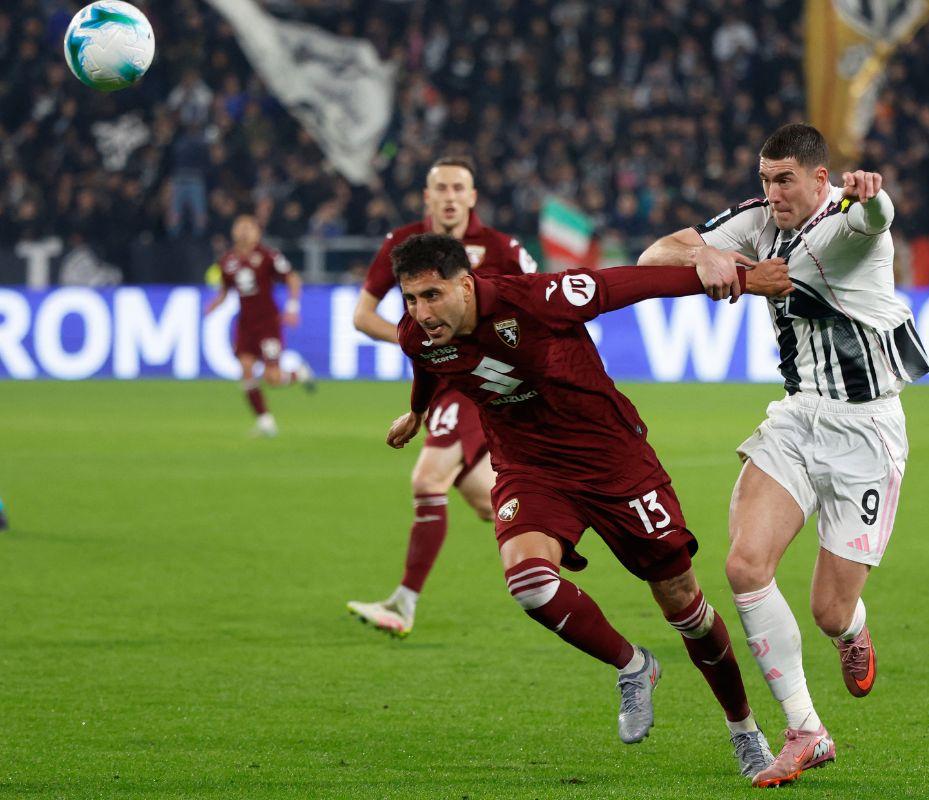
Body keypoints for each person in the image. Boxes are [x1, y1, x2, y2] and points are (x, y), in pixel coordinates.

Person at [385, 233, 791, 781]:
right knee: (529, 585)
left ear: (465, 283)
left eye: (431, 295)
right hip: (530, 469)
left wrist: (746, 280)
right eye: (410, 299)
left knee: (685, 606)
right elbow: (429, 364)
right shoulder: (419, 333)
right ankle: (634, 666)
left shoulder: (534, 299)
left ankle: (745, 730)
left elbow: (630, 283)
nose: (421, 312)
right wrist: (417, 411)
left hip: (614, 465)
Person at [637, 122, 929, 788]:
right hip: (798, 418)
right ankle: (806, 730)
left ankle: (850, 629)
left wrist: (872, 194)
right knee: (743, 566)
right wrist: (711, 259)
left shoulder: (850, 225)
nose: (772, 193)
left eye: (785, 180)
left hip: (866, 431)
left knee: (829, 609)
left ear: (820, 180)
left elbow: (879, 217)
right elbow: (659, 254)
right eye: (765, 179)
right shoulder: (756, 221)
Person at [346, 156, 537, 637]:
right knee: (486, 499)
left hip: (478, 386)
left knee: (428, 479)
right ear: (427, 197)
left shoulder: (503, 249)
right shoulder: (403, 246)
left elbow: (536, 310)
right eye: (441, 188)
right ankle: (564, 533)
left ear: (472, 197)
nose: (450, 196)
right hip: (439, 382)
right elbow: (362, 316)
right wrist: (422, 340)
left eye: (459, 188)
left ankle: (403, 604)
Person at [204, 215, 315, 437]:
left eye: (249, 227)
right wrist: (214, 305)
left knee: (272, 378)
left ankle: (298, 374)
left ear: (257, 232)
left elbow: (292, 279)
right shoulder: (227, 261)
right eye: (240, 227)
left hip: (268, 323)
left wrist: (292, 307)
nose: (244, 231)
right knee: (245, 369)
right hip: (245, 324)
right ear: (234, 231)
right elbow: (225, 291)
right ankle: (265, 422)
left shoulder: (268, 256)